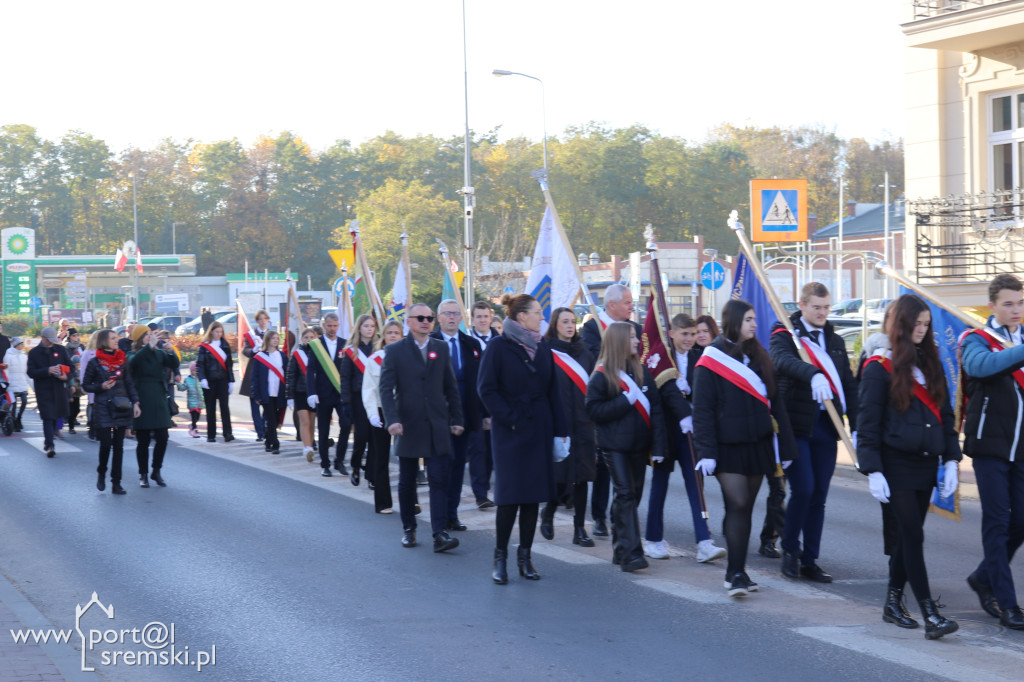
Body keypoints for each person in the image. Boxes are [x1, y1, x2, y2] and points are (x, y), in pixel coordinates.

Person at [858, 294, 961, 639]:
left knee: (908, 536)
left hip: (926, 464)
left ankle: (892, 602)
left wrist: (951, 460)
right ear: (901, 324)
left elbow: (946, 416)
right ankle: (930, 615)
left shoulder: (931, 364)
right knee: (914, 535)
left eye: (926, 325)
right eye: (916, 323)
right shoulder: (879, 367)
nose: (922, 330)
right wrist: (872, 469)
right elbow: (868, 423)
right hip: (895, 465)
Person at [693, 299, 797, 597]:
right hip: (727, 447)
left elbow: (775, 403)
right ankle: (736, 573)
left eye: (754, 319)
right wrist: (706, 451)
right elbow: (703, 409)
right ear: (735, 321)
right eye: (749, 319)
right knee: (738, 503)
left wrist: (786, 449)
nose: (754, 324)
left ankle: (735, 571)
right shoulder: (712, 358)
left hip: (758, 444)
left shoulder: (759, 355)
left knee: (745, 508)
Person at [771, 282, 858, 584]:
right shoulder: (785, 334)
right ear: (802, 305)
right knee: (804, 489)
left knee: (819, 495)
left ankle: (810, 559)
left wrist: (857, 427)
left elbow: (848, 384)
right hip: (796, 425)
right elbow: (781, 361)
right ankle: (790, 550)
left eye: (826, 307)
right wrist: (813, 374)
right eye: (816, 307)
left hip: (826, 425)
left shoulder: (834, 340)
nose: (822, 313)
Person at [479, 294, 567, 583]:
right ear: (521, 317)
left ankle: (525, 557)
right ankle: (500, 557)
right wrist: (511, 418)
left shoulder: (543, 347)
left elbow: (553, 392)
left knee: (532, 498)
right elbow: (486, 389)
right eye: (538, 312)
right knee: (509, 498)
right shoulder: (498, 346)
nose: (542, 317)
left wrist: (561, 431)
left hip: (539, 429)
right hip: (511, 432)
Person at [961, 273, 1024, 629]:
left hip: (1022, 448)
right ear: (992, 306)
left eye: (1020, 302)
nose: (1016, 310)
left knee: (1021, 521)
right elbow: (979, 367)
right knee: (997, 523)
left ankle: (983, 577)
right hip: (990, 447)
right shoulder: (977, 340)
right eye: (1008, 304)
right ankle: (1007, 603)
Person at [379, 303, 464, 553]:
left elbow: (451, 386)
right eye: (420, 318)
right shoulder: (395, 350)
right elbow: (385, 388)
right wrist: (392, 419)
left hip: (437, 424)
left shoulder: (441, 347)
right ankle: (409, 528)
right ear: (409, 322)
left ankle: (439, 533)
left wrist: (457, 419)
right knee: (407, 481)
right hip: (408, 424)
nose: (426, 321)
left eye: (429, 318)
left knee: (438, 479)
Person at [644, 313, 726, 563]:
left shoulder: (697, 358)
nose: (689, 339)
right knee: (659, 486)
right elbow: (665, 394)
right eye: (684, 334)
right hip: (666, 433)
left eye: (692, 334)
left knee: (695, 486)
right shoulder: (662, 358)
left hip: (689, 434)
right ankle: (653, 539)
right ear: (672, 334)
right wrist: (682, 409)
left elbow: (704, 392)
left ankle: (704, 540)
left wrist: (690, 395)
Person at [585, 321, 664, 572]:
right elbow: (593, 410)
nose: (637, 341)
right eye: (631, 337)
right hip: (614, 445)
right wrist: (624, 401)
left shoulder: (642, 372)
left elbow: (656, 410)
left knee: (631, 495)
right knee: (626, 494)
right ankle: (631, 555)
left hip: (639, 445)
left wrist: (659, 446)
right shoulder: (601, 375)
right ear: (619, 341)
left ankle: (620, 548)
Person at [580, 284, 641, 538]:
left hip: (632, 405)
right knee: (604, 467)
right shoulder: (593, 327)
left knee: (628, 475)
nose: (631, 307)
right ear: (612, 305)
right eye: (627, 302)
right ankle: (599, 516)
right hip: (607, 398)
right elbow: (595, 359)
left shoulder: (634, 329)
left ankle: (621, 520)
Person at [542, 307, 597, 547]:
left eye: (572, 321)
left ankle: (579, 529)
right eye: (564, 321)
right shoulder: (546, 352)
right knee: (559, 477)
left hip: (583, 424)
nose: (570, 326)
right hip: (558, 425)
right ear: (555, 324)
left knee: (582, 478)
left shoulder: (585, 354)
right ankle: (548, 513)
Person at [431, 300, 485, 532]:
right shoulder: (430, 342)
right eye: (447, 313)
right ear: (439, 317)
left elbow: (480, 381)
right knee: (441, 467)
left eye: (456, 313)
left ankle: (452, 514)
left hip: (465, 414)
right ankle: (440, 517)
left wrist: (483, 414)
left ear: (462, 318)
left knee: (457, 468)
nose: (452, 317)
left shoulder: (471, 344)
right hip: (438, 416)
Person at [82, 329, 140, 494]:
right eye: (113, 338)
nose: (116, 340)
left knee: (119, 446)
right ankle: (101, 472)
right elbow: (86, 385)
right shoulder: (94, 362)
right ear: (104, 341)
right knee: (106, 444)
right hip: (103, 406)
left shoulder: (122, 360)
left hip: (121, 405)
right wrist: (101, 386)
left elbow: (129, 383)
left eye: (117, 338)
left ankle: (116, 483)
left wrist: (136, 402)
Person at [130, 326, 180, 487]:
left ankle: (156, 470)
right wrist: (149, 347)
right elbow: (134, 363)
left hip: (159, 398)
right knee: (143, 440)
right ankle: (143, 474)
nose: (150, 337)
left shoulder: (158, 353)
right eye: (146, 335)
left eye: (151, 334)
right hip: (142, 398)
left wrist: (170, 351)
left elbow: (173, 363)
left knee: (163, 437)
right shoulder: (133, 354)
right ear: (139, 338)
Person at [363, 320, 404, 514]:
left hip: (404, 410)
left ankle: (410, 501)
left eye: (397, 332)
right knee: (381, 458)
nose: (393, 335)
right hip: (381, 410)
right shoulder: (375, 359)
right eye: (390, 332)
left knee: (408, 458)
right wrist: (372, 414)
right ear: (384, 336)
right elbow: (369, 390)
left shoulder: (408, 357)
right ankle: (383, 502)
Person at [307, 312, 351, 477]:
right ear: (324, 326)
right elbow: (310, 369)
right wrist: (311, 392)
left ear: (338, 326)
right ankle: (325, 464)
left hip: (340, 393)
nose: (332, 329)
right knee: (324, 430)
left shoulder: (345, 344)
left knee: (346, 425)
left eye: (335, 326)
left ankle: (339, 460)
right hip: (323, 393)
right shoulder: (316, 345)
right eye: (329, 326)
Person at [341, 314, 379, 485]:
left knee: (375, 437)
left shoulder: (379, 349)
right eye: (366, 326)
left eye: (372, 326)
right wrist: (346, 402)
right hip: (358, 398)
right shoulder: (351, 350)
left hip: (376, 398)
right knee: (361, 435)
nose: (369, 329)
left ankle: (371, 474)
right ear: (359, 328)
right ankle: (356, 466)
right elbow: (345, 378)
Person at [467, 300, 497, 508]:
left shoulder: (500, 340)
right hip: (475, 405)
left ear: (491, 317)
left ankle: (487, 485)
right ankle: (480, 494)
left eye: (486, 316)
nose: (483, 320)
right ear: (472, 319)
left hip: (496, 405)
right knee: (478, 450)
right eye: (479, 317)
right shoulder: (467, 342)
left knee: (493, 453)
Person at [27, 327, 73, 457]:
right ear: (42, 337)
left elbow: (71, 367)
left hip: (59, 389)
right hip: (43, 390)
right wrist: (47, 370)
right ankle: (50, 445)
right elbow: (30, 372)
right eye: (49, 340)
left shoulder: (61, 349)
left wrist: (66, 377)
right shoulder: (34, 353)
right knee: (47, 417)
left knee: (56, 416)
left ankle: (49, 440)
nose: (52, 342)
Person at [195, 321, 234, 443]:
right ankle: (211, 434)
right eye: (217, 331)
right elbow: (200, 365)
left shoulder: (225, 345)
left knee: (224, 407)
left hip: (223, 380)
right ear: (211, 331)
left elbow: (229, 365)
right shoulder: (204, 346)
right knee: (210, 408)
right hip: (209, 381)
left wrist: (231, 381)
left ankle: (227, 433)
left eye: (221, 332)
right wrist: (202, 379)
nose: (219, 334)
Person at [252, 330, 287, 455]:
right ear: (267, 340)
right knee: (271, 419)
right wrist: (256, 394)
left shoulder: (282, 356)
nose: (275, 340)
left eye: (277, 338)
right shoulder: (260, 357)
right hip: (266, 393)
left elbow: (287, 374)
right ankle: (275, 444)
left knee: (276, 419)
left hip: (280, 392)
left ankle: (268, 440)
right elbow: (255, 377)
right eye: (273, 338)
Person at [286, 327, 318, 462]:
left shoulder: (319, 354)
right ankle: (307, 448)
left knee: (312, 421)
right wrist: (289, 396)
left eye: (311, 337)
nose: (309, 340)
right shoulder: (296, 354)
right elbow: (291, 376)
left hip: (314, 393)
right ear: (302, 339)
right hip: (300, 392)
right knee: (305, 421)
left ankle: (311, 443)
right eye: (306, 337)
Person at [240, 308, 272, 442]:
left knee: (268, 403)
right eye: (260, 319)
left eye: (265, 318)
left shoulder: (271, 334)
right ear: (257, 321)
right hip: (254, 371)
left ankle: (264, 427)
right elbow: (245, 351)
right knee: (254, 404)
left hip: (268, 371)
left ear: (268, 320)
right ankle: (259, 432)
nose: (263, 321)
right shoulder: (252, 335)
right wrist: (253, 350)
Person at [3, 337, 29, 432]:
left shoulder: (24, 356)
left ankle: (19, 418)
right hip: (12, 384)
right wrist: (7, 383)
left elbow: (27, 371)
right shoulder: (8, 355)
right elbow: (6, 370)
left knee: (24, 401)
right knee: (13, 404)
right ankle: (13, 422)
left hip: (22, 384)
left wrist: (32, 386)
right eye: (21, 344)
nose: (22, 345)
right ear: (16, 345)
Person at [64, 328, 84, 433]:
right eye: (73, 335)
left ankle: (71, 418)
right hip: (70, 377)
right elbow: (67, 363)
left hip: (79, 378)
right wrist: (74, 374)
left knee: (77, 407)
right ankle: (70, 424)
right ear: (69, 337)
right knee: (72, 404)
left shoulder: (81, 346)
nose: (76, 337)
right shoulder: (65, 348)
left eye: (77, 335)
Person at [177, 361, 204, 437]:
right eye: (194, 370)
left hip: (199, 402)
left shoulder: (201, 379)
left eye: (197, 370)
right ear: (191, 371)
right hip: (192, 402)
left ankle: (192, 425)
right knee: (194, 417)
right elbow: (183, 388)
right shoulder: (188, 379)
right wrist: (178, 383)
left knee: (197, 417)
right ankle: (194, 430)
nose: (196, 372)